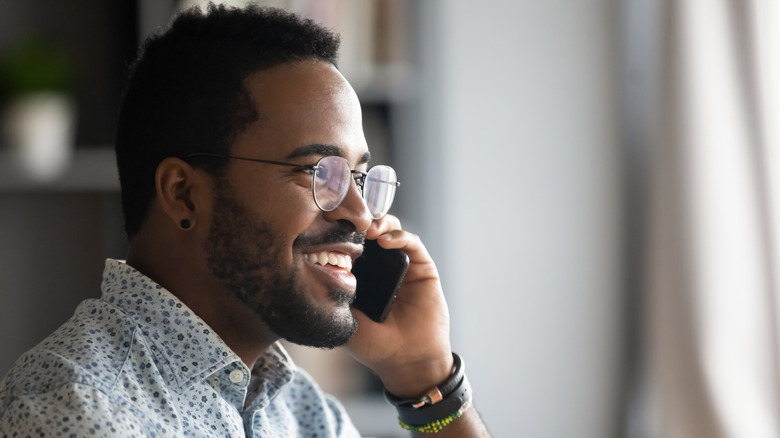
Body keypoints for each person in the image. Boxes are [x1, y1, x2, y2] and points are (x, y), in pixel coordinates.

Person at [0, 4, 491, 437]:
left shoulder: (300, 411)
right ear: (184, 194)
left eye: (360, 178)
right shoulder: (82, 412)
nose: (362, 216)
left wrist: (426, 378)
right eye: (320, 173)